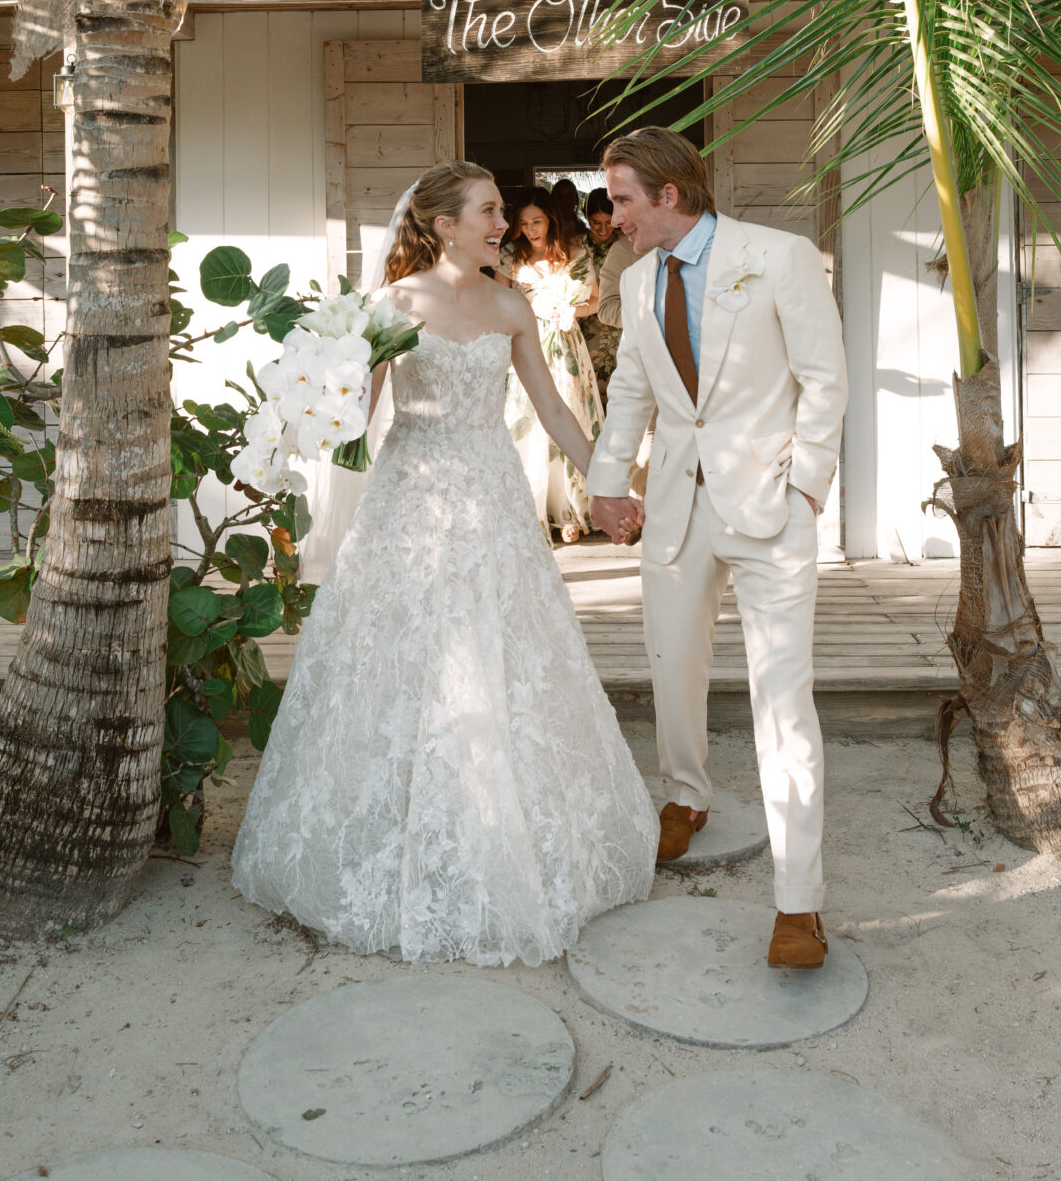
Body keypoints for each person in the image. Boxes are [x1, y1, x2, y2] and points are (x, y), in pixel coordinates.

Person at [232, 162, 657, 967]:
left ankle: (503, 834)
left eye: (499, 210)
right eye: (489, 210)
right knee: (404, 654)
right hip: (411, 495)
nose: (502, 221)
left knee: (504, 653)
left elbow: (553, 407)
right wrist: (321, 380)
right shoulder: (394, 307)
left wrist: (606, 488)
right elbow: (351, 419)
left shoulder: (510, 305)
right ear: (445, 223)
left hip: (492, 493)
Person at [585, 128, 846, 970]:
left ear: (668, 195)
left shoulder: (777, 256)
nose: (611, 214)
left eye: (622, 198)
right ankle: (684, 796)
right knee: (672, 662)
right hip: (675, 506)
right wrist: (608, 480)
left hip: (771, 507)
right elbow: (631, 385)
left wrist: (805, 485)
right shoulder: (632, 278)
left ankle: (798, 903)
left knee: (783, 702)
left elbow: (824, 379)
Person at [497, 187, 603, 542]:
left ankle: (570, 510)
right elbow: (496, 302)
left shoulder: (573, 250)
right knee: (530, 422)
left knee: (569, 414)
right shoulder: (510, 255)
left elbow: (596, 302)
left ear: (550, 220)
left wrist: (573, 311)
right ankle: (534, 511)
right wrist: (526, 310)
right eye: (524, 223)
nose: (531, 230)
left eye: (537, 221)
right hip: (526, 345)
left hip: (566, 347)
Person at [581, 187, 626, 401]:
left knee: (620, 385)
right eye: (596, 222)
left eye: (607, 222)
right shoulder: (577, 246)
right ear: (586, 218)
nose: (602, 228)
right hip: (586, 323)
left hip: (617, 324)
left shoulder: (624, 245)